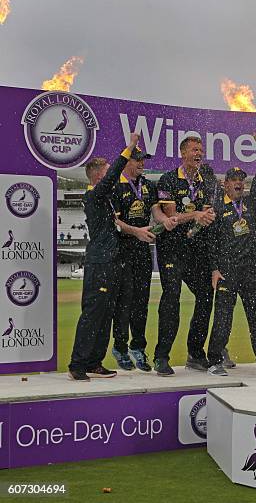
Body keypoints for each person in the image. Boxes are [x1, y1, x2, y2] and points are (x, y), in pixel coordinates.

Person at [68, 133, 145, 381]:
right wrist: (129, 148)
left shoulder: (108, 200)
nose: (114, 175)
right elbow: (114, 176)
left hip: (113, 262)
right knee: (93, 314)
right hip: (100, 263)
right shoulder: (94, 195)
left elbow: (118, 225)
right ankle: (77, 364)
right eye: (109, 172)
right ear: (100, 177)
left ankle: (94, 362)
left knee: (106, 314)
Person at [206, 133, 256, 375]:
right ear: (225, 184)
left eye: (241, 180)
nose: (238, 183)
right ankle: (214, 360)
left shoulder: (249, 204)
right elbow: (211, 242)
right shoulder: (217, 208)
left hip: (250, 271)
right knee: (223, 318)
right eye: (234, 179)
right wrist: (214, 268)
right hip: (226, 271)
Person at [110, 147, 178, 372]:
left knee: (141, 302)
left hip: (142, 251)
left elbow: (155, 211)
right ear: (127, 160)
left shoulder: (148, 185)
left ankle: (138, 347)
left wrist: (165, 220)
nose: (141, 163)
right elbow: (114, 222)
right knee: (124, 302)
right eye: (137, 159)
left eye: (143, 160)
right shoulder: (115, 185)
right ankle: (120, 347)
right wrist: (136, 231)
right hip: (121, 250)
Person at [154, 136, 216, 376]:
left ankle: (195, 352)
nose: (198, 153)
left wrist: (206, 217)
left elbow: (207, 213)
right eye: (194, 150)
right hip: (172, 248)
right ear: (183, 153)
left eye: (201, 150)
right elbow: (172, 216)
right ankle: (161, 356)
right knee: (172, 297)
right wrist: (196, 216)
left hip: (196, 250)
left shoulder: (207, 181)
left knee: (206, 295)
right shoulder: (169, 179)